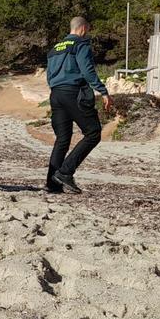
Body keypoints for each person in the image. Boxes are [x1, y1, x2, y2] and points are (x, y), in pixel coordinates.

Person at [45, 17, 114, 194]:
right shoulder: (80, 44)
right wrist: (103, 91)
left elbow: (49, 76)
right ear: (83, 28)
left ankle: (52, 184)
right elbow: (87, 70)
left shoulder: (54, 49)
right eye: (88, 29)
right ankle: (65, 172)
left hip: (56, 94)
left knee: (62, 138)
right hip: (73, 93)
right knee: (93, 133)